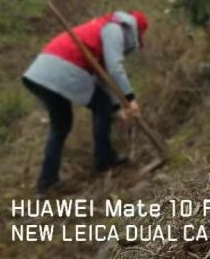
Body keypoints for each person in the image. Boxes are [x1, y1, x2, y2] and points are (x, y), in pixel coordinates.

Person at [22, 10, 147, 195]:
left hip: (40, 73)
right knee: (97, 107)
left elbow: (102, 78)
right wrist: (130, 99)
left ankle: (47, 182)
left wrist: (117, 108)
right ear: (134, 31)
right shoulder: (114, 29)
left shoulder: (100, 29)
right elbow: (115, 68)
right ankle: (104, 160)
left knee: (62, 125)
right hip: (59, 68)